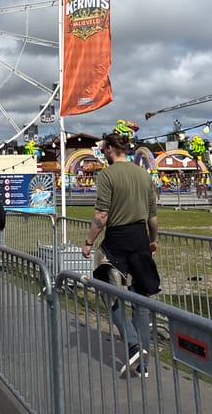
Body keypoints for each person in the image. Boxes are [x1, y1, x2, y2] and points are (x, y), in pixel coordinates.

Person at [81, 131, 159, 379]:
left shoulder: (107, 175)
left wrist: (89, 241)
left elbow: (101, 216)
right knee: (141, 300)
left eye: (104, 148)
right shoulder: (143, 175)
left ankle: (134, 343)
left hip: (117, 241)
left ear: (111, 148)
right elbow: (153, 216)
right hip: (140, 238)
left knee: (109, 293)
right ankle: (143, 362)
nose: (103, 152)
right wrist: (153, 239)